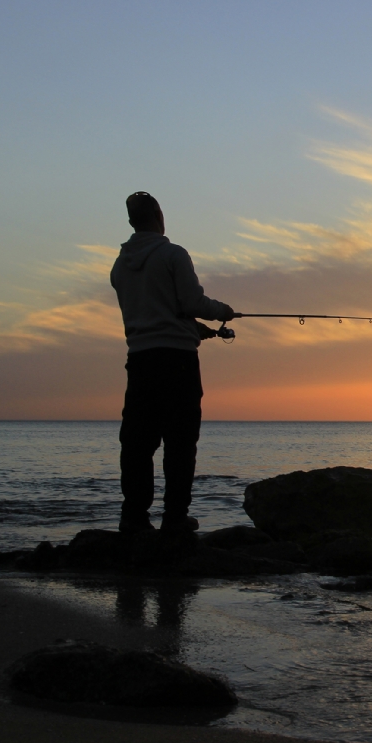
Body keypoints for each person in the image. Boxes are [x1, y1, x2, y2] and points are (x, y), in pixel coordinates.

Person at [110, 191, 234, 534]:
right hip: (177, 362)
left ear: (132, 220)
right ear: (157, 215)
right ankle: (175, 519)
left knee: (137, 442)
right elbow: (192, 301)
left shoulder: (120, 266)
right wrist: (222, 311)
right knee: (180, 442)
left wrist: (194, 330)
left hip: (140, 360)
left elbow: (156, 312)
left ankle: (134, 517)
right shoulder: (172, 254)